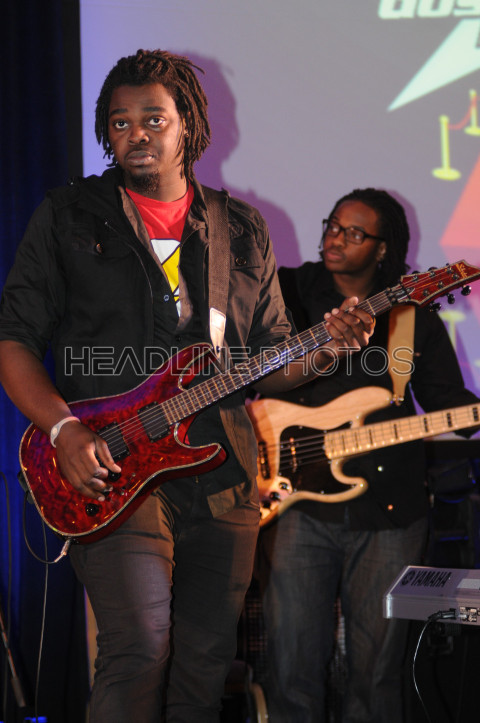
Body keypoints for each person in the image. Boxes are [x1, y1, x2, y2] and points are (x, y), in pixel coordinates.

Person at [0, 51, 374, 723]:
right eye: (120, 122)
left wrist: (329, 347)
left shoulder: (241, 227)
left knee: (203, 669)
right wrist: (63, 428)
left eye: (153, 118)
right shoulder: (68, 216)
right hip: (114, 469)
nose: (136, 134)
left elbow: (271, 361)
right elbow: (14, 340)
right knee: (140, 646)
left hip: (223, 471)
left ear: (188, 126)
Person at [257, 188, 480, 723]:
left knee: (377, 676)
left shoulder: (410, 316)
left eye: (354, 233)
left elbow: (447, 402)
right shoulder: (289, 290)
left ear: (383, 249)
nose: (335, 238)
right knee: (290, 668)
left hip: (389, 512)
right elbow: (257, 371)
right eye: (333, 225)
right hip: (299, 508)